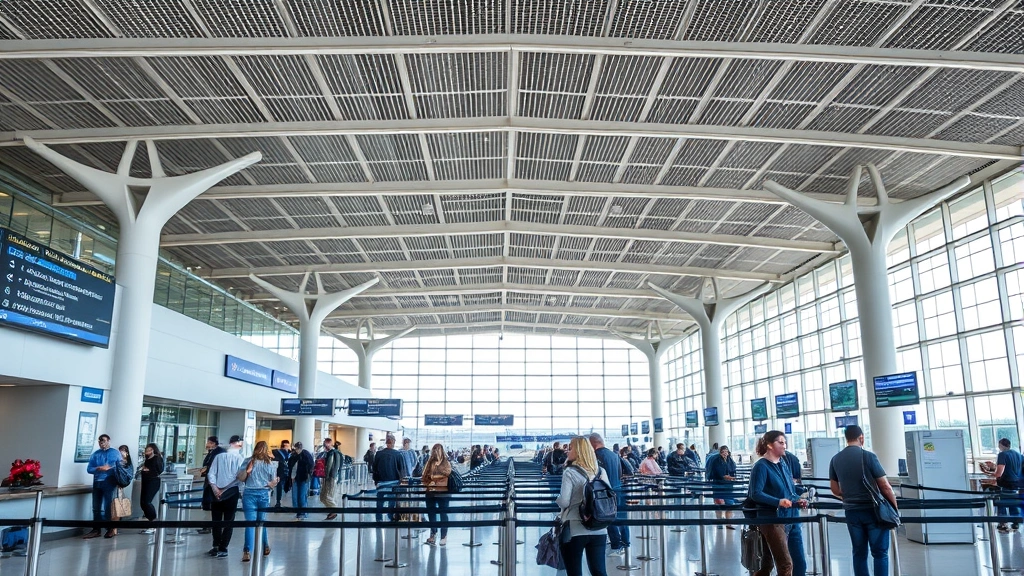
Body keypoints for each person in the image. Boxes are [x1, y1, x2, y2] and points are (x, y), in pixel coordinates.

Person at [829, 425, 898, 576]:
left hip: (852, 512)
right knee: (879, 553)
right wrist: (894, 508)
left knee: (859, 552)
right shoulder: (868, 456)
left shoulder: (835, 459)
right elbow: (885, 486)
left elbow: (834, 489)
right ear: (861, 437)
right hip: (873, 511)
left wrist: (849, 496)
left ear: (846, 438)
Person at [748, 431, 807, 576]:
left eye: (785, 442)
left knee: (796, 561)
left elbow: (789, 489)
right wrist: (778, 502)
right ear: (769, 445)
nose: (784, 446)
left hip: (792, 517)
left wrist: (797, 498)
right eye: (780, 442)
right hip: (772, 520)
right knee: (785, 564)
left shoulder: (783, 464)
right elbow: (755, 493)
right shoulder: (761, 467)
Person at [557, 436, 610, 576]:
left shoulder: (570, 472)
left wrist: (557, 499)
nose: (568, 451)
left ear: (578, 450)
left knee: (574, 571)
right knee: (599, 571)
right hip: (599, 527)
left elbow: (564, 502)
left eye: (571, 447)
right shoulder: (600, 471)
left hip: (575, 528)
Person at [589, 433, 629, 557]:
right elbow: (622, 472)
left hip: (605, 491)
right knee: (622, 517)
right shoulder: (615, 455)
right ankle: (626, 541)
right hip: (618, 489)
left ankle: (616, 544)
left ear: (593, 443)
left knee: (609, 518)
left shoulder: (596, 456)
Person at [239, 440, 279, 562]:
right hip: (263, 493)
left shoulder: (248, 460)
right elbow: (273, 482)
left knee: (250, 523)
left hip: (249, 493)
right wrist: (271, 484)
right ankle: (265, 546)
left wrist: (248, 471)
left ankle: (247, 551)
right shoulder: (270, 464)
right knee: (262, 521)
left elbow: (240, 478)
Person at [207, 435, 244, 559]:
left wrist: (216, 489)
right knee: (229, 520)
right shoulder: (240, 459)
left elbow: (211, 474)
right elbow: (239, 478)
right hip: (231, 493)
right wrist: (225, 489)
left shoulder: (219, 456)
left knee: (216, 520)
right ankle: (224, 547)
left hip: (216, 492)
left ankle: (215, 545)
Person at [84, 434, 121, 539]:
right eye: (100, 441)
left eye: (104, 441)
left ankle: (110, 529)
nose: (102, 443)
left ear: (109, 441)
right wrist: (98, 468)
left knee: (108, 506)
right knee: (96, 507)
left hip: (109, 482)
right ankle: (96, 529)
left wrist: (109, 468)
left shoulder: (115, 453)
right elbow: (89, 469)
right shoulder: (95, 454)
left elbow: (120, 467)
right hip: (97, 482)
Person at [985, 438, 1023, 533]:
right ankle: (1016, 522)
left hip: (1005, 483)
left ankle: (1003, 523)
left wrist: (989, 472)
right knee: (1013, 502)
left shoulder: (1002, 454)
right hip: (1016, 483)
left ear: (1001, 445)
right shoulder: (1018, 454)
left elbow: (999, 473)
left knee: (1002, 503)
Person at [421, 443, 452, 546]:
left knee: (443, 513)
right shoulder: (429, 462)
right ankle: (433, 534)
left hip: (442, 493)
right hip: (431, 492)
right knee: (432, 513)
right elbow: (424, 476)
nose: (435, 452)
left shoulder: (446, 462)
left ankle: (444, 536)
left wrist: (432, 478)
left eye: (437, 450)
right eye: (434, 450)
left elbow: (447, 474)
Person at [372, 434, 404, 522]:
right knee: (392, 501)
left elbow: (374, 468)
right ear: (394, 442)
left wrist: (376, 480)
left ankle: (379, 518)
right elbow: (401, 469)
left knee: (380, 501)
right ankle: (391, 516)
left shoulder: (378, 454)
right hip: (394, 482)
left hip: (381, 482)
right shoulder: (398, 454)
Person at [706, 445, 738, 530]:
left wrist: (731, 477)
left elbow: (733, 471)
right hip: (718, 485)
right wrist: (728, 477)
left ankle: (729, 523)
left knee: (730, 504)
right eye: (723, 452)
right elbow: (718, 473)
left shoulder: (730, 461)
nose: (725, 453)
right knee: (718, 504)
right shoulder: (716, 461)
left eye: (726, 452)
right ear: (720, 452)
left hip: (728, 486)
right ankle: (719, 522)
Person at [199, 436, 225, 534]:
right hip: (209, 480)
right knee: (207, 502)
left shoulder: (219, 452)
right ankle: (208, 525)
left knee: (212, 503)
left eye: (209, 442)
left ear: (213, 443)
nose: (207, 444)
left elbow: (216, 465)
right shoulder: (211, 452)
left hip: (215, 481)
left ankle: (212, 525)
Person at [139, 443, 164, 534]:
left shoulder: (157, 458)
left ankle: (153, 522)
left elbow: (159, 470)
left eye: (149, 450)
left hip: (153, 481)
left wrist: (148, 470)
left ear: (153, 450)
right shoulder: (147, 460)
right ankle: (150, 520)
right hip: (145, 481)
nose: (147, 452)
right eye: (146, 450)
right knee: (143, 503)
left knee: (147, 501)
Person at [288, 442, 314, 520]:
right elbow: (292, 468)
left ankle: (302, 513)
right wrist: (291, 477)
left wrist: (308, 474)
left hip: (303, 478)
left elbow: (310, 465)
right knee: (296, 496)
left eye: (298, 448)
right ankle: (299, 511)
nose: (297, 450)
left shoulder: (305, 455)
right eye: (296, 448)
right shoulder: (293, 456)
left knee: (301, 495)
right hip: (295, 478)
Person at [319, 438, 343, 520]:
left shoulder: (334, 453)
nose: (326, 445)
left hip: (332, 477)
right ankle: (332, 510)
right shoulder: (328, 453)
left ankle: (334, 510)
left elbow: (335, 467)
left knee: (328, 496)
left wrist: (332, 477)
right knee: (322, 497)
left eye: (327, 443)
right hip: (327, 477)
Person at [272, 440, 290, 508]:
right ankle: (279, 501)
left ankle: (279, 502)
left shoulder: (277, 452)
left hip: (281, 472)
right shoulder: (277, 452)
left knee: (282, 487)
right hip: (282, 473)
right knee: (280, 487)